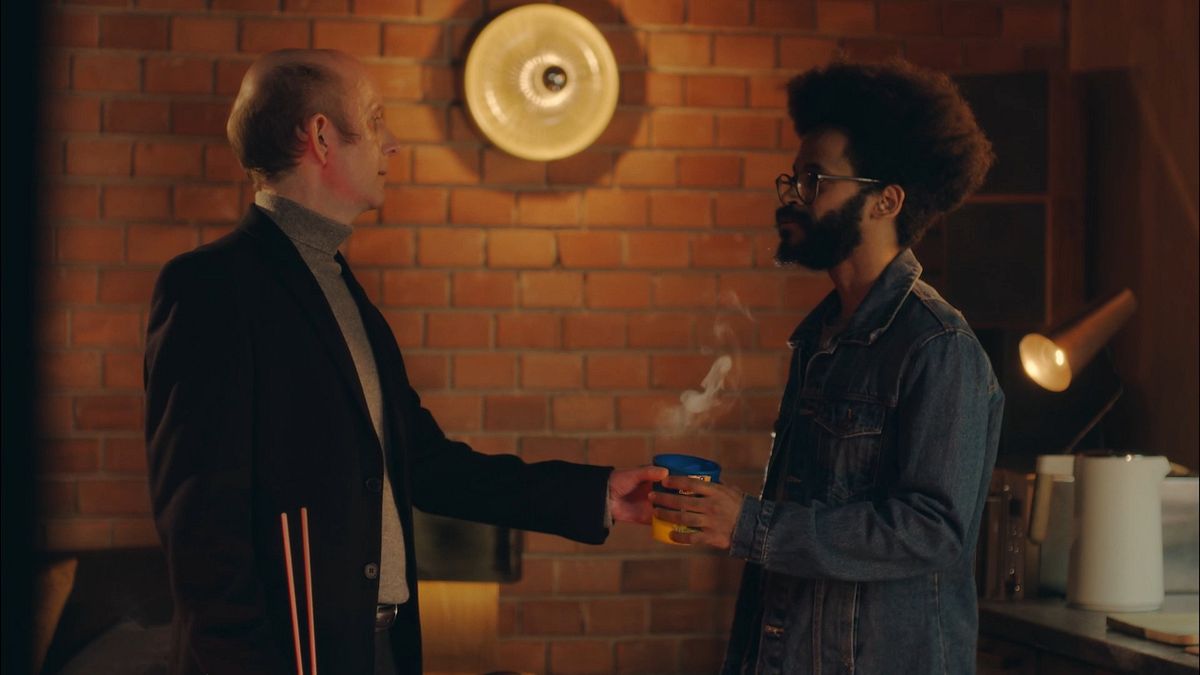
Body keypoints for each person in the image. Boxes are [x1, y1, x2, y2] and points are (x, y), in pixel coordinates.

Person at [144, 49, 664, 675]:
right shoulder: (210, 287)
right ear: (320, 136)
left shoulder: (338, 285)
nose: (393, 143)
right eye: (375, 119)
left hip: (381, 648)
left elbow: (427, 464)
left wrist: (597, 495)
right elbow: (200, 534)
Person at [651, 59, 1004, 674]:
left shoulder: (938, 346)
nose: (794, 198)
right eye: (793, 180)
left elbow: (932, 530)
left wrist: (751, 526)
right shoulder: (820, 338)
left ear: (885, 200)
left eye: (815, 180)